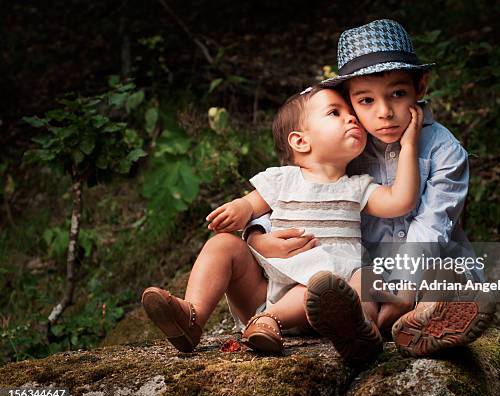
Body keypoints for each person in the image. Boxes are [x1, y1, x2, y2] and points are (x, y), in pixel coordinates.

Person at [247, 19, 494, 359]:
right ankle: (389, 324)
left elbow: (432, 228)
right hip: (365, 277)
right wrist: (257, 236)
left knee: (447, 278)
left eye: (397, 93)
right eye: (365, 101)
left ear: (420, 87)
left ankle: (422, 318)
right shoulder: (348, 148)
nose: (385, 112)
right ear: (349, 101)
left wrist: (403, 286)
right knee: (358, 286)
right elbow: (298, 190)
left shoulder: (445, 151)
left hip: (426, 265)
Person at [142, 84, 423, 363]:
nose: (351, 118)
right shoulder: (282, 179)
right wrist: (240, 209)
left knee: (358, 277)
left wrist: (408, 145)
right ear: (301, 141)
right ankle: (192, 316)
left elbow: (400, 201)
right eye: (335, 113)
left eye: (350, 113)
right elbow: (251, 205)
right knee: (223, 245)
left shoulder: (358, 187)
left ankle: (352, 329)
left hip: (325, 301)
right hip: (266, 290)